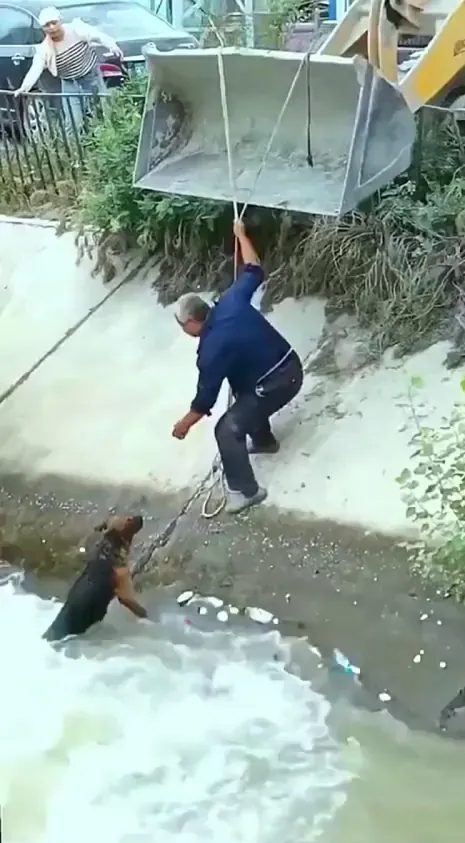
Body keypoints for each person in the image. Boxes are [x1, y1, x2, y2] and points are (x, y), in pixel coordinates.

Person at [172, 220, 304, 514]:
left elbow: (204, 401)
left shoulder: (211, 350)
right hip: (291, 366)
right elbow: (254, 268)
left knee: (227, 429)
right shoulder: (230, 300)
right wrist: (241, 235)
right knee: (244, 391)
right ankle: (263, 440)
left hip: (278, 383)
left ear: (191, 322)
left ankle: (246, 491)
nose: (182, 329)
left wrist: (184, 425)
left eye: (181, 324)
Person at [14, 6, 123, 133]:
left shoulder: (75, 30)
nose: (51, 28)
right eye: (47, 25)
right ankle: (74, 144)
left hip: (91, 77)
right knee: (73, 123)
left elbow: (98, 36)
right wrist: (24, 88)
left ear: (60, 21)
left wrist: (112, 46)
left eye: (54, 23)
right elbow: (35, 69)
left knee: (101, 115)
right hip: (69, 83)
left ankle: (103, 142)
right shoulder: (45, 49)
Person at [42, 515, 148, 642]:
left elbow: (108, 523)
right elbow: (126, 599)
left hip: (74, 604)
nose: (130, 519)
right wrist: (146, 616)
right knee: (64, 640)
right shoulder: (119, 570)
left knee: (53, 638)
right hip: (82, 619)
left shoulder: (99, 551)